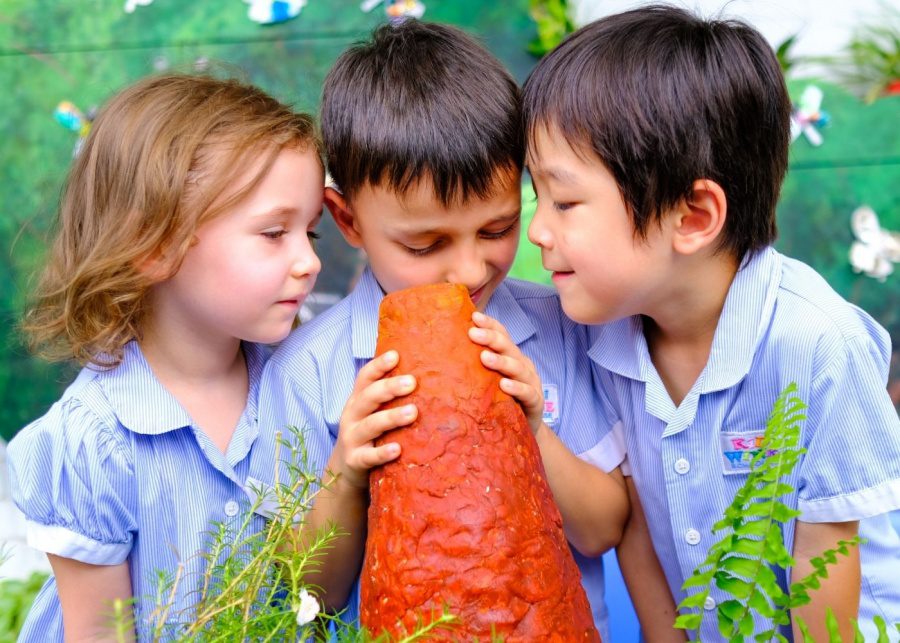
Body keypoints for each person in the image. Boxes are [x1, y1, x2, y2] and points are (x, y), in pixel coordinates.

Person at [523, 5, 900, 641]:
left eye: (564, 202)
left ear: (693, 216)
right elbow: (636, 527)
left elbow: (826, 558)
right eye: (538, 198)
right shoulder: (607, 337)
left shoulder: (817, 345)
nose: (538, 230)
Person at [258, 19, 629, 640]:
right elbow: (309, 591)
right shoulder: (308, 369)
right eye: (426, 243)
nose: (468, 267)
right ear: (347, 219)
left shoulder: (558, 328)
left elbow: (603, 528)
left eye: (496, 229)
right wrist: (347, 473)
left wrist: (534, 427)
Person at [7, 73, 324, 641]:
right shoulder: (93, 443)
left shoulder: (298, 382)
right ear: (154, 244)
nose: (308, 261)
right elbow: (102, 634)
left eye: (312, 234)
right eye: (275, 233)